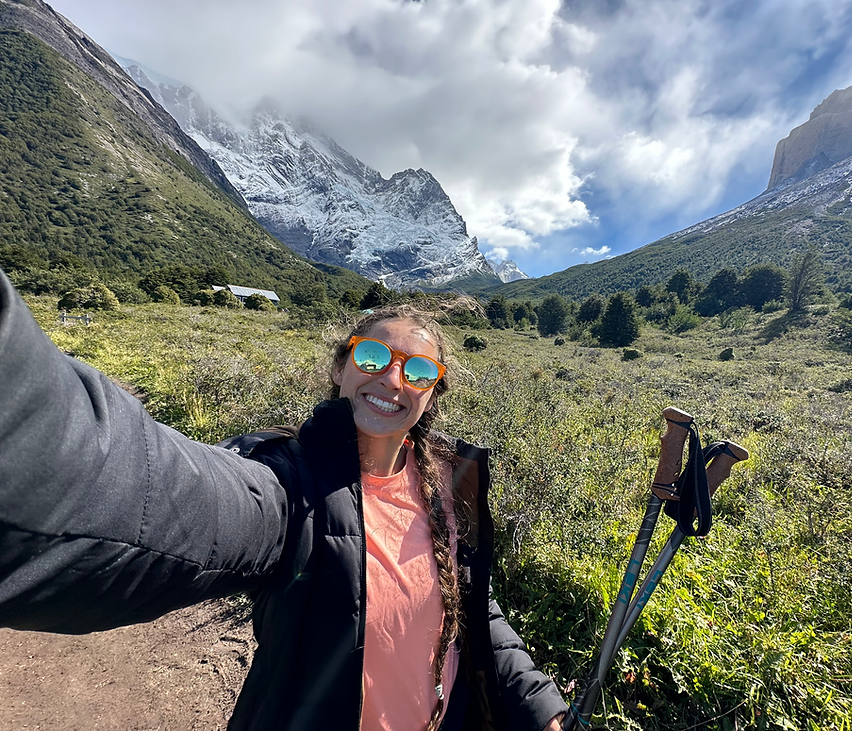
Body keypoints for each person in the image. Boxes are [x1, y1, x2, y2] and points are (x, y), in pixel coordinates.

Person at [0, 267, 567, 731]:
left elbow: (469, 605)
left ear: (432, 392)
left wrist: (540, 708)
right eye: (373, 358)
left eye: (417, 371)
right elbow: (175, 497)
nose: (393, 381)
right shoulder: (289, 481)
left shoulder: (446, 483)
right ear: (341, 367)